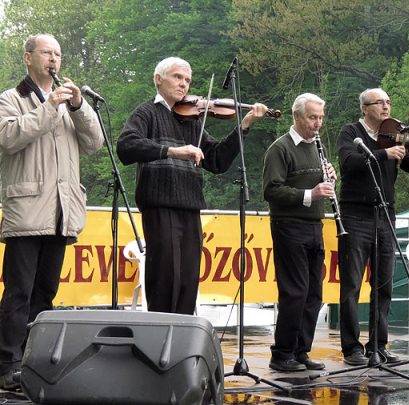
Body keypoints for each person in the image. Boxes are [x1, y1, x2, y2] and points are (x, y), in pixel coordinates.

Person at [117, 57, 267, 315]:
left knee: (187, 279)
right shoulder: (146, 113)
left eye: (187, 80)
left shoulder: (192, 119)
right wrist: (172, 151)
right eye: (177, 77)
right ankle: (159, 341)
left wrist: (244, 126)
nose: (184, 84)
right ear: (158, 79)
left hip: (190, 206)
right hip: (160, 205)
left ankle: (181, 344)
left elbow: (217, 160)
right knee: (165, 277)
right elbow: (126, 146)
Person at [0, 33, 103, 390]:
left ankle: (33, 360)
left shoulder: (68, 104)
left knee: (45, 291)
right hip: (27, 212)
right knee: (18, 293)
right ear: (28, 57)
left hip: (61, 211)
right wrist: (49, 107)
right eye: (47, 52)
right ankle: (7, 364)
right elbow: (9, 137)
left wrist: (77, 106)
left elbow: (94, 143)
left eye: (58, 53)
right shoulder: (10, 99)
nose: (54, 59)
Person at [336, 88, 409, 365]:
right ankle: (351, 349)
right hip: (355, 214)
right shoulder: (350, 133)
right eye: (380, 103)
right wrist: (385, 153)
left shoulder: (393, 135)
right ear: (365, 108)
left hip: (386, 214)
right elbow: (349, 164)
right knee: (351, 285)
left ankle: (378, 345)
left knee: (383, 284)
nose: (386, 107)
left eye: (388, 102)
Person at [262, 93, 334, 372]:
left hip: (314, 225)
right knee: (295, 292)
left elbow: (317, 185)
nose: (318, 124)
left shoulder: (318, 146)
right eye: (312, 117)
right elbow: (271, 190)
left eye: (320, 118)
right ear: (297, 117)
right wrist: (311, 193)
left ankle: (301, 351)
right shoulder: (280, 149)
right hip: (288, 225)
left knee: (314, 294)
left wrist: (329, 178)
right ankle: (281, 354)